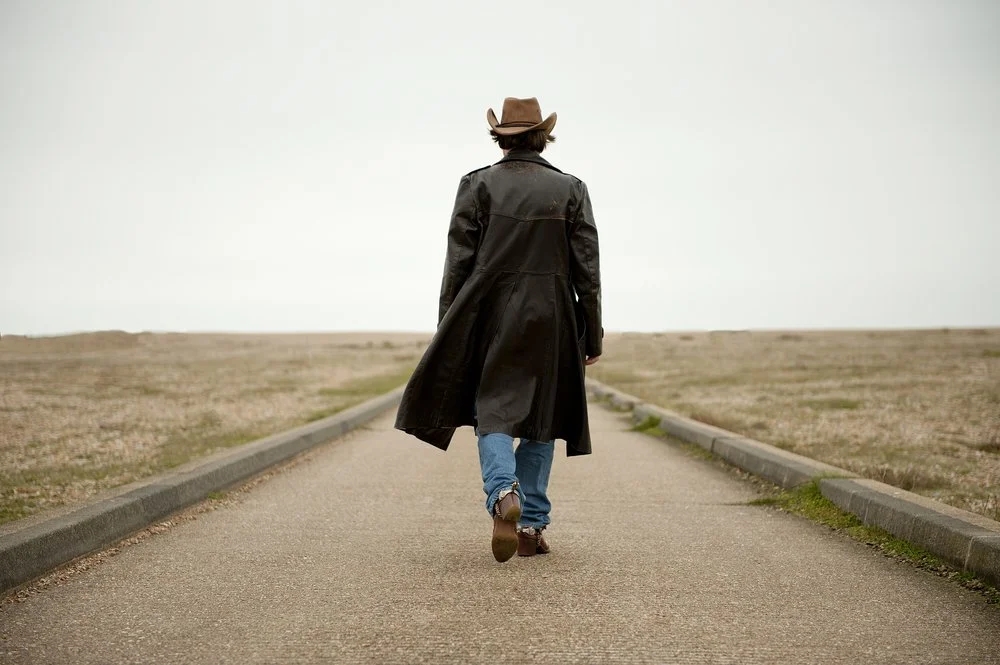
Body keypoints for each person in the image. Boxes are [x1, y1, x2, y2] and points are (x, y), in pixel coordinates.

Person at [394, 97, 602, 562]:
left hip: (488, 315)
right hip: (553, 316)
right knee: (541, 420)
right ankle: (530, 527)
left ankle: (503, 492)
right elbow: (587, 268)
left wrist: (450, 327)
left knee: (492, 412)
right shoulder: (571, 189)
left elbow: (458, 265)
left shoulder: (477, 185)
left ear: (500, 138)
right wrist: (592, 334)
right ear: (542, 136)